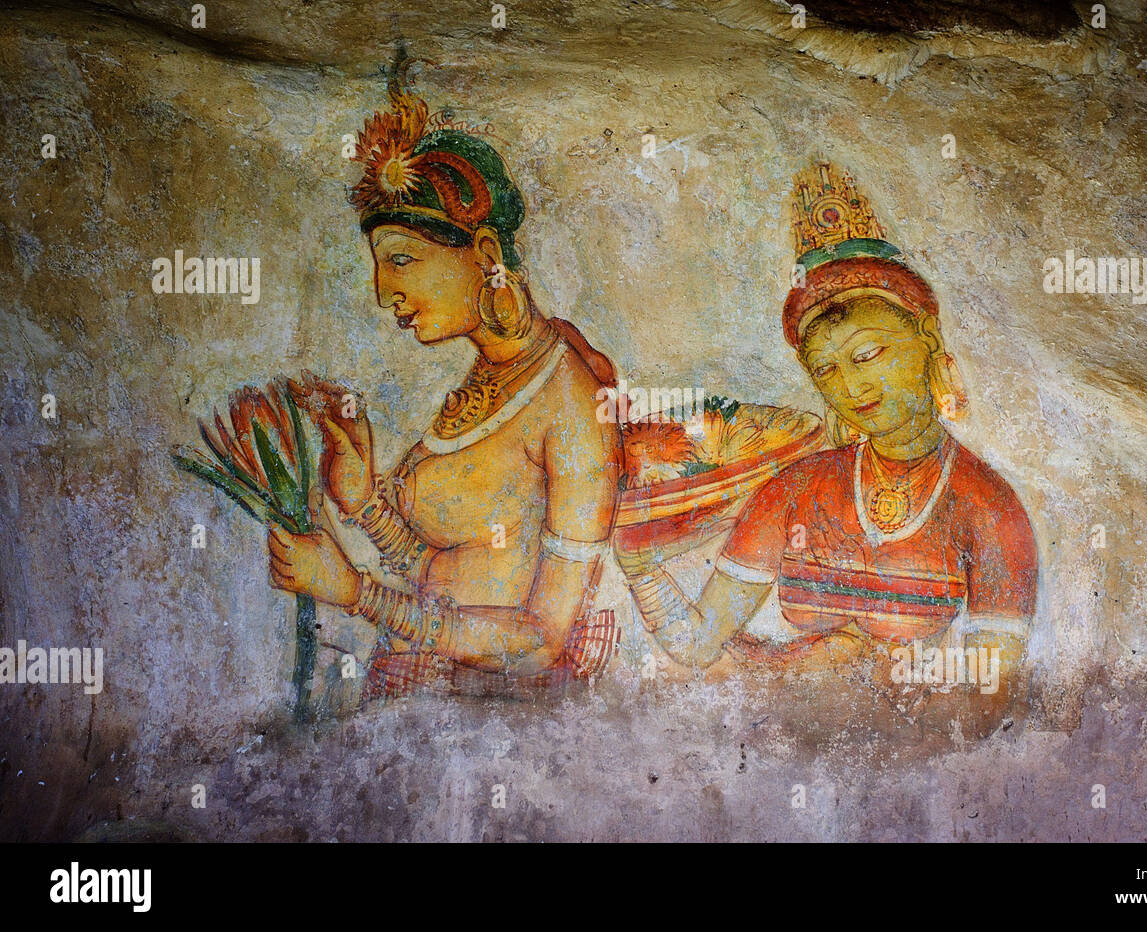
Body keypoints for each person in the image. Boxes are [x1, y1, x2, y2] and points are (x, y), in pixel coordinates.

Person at [615, 161, 1038, 733]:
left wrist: (878, 676)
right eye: (826, 370)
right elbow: (695, 646)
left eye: (868, 356)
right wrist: (642, 567)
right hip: (782, 741)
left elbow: (987, 708)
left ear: (926, 343)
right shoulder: (794, 488)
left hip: (908, 764)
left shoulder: (988, 508)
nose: (850, 387)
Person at [267, 82, 620, 697]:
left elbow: (541, 640)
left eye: (401, 260)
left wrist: (354, 593)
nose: (383, 291)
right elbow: (442, 572)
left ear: (484, 254)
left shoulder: (570, 403)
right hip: (417, 707)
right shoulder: (489, 376)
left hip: (493, 729)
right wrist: (362, 501)